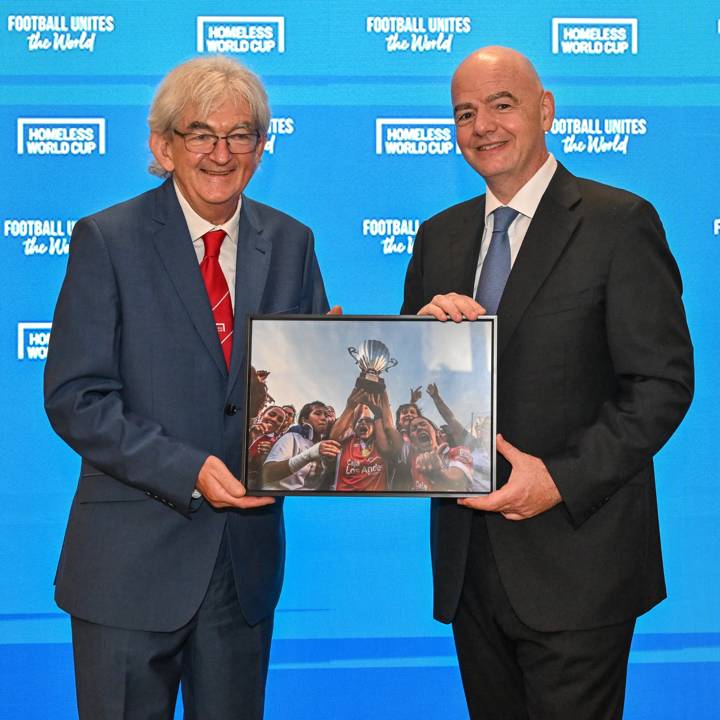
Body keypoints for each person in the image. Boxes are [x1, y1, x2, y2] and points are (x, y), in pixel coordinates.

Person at [401, 46, 694, 719]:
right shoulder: (437, 237)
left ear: (545, 109)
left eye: (502, 105)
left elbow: (660, 384)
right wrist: (417, 338)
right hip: (471, 569)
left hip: (579, 565)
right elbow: (415, 394)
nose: (483, 126)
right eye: (465, 113)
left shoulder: (620, 222)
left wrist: (559, 479)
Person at [44, 56, 331, 720]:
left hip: (242, 569)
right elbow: (75, 396)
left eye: (241, 135)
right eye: (201, 133)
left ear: (262, 147)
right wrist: (189, 469)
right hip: (127, 568)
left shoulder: (291, 242)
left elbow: (308, 397)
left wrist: (406, 346)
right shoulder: (106, 240)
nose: (220, 153)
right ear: (163, 145)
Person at [330, 388, 401, 492]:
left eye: (368, 421)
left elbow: (387, 442)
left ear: (375, 427)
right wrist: (350, 407)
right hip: (345, 501)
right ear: (354, 427)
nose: (363, 423)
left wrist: (382, 388)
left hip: (375, 503)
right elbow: (334, 437)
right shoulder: (348, 440)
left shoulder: (380, 443)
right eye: (360, 422)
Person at [262, 401, 340, 490]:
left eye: (326, 415)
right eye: (318, 413)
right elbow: (268, 473)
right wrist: (308, 455)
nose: (323, 418)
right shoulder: (292, 437)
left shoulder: (326, 447)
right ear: (304, 420)